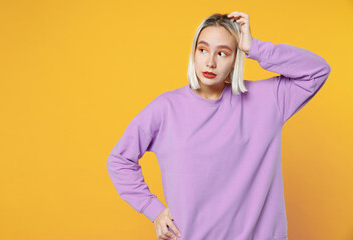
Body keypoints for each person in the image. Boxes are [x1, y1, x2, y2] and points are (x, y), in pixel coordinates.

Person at [106, 11, 331, 240]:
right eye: (203, 49)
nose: (210, 62)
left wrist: (255, 47)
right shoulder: (166, 109)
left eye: (222, 53)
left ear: (235, 59)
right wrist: (152, 210)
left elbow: (317, 71)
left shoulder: (268, 100)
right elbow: (119, 160)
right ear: (193, 52)